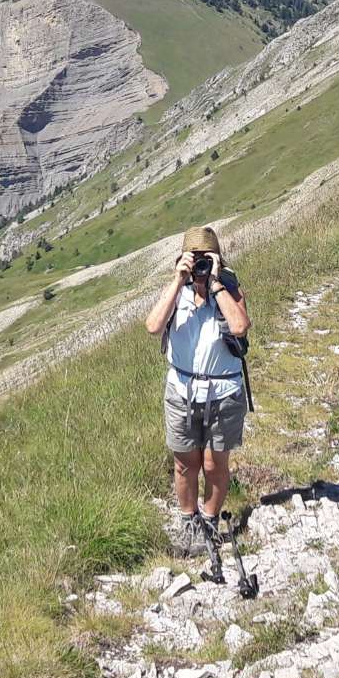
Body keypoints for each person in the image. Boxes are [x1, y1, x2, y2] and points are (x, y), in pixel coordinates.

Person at [144, 225, 251, 554]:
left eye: (208, 258)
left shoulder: (228, 289)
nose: (200, 265)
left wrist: (216, 283)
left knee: (214, 464)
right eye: (195, 258)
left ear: (218, 260)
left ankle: (209, 519)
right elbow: (152, 326)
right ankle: (189, 521)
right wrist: (179, 280)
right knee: (184, 464)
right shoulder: (177, 292)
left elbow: (239, 326)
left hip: (223, 393)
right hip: (182, 391)